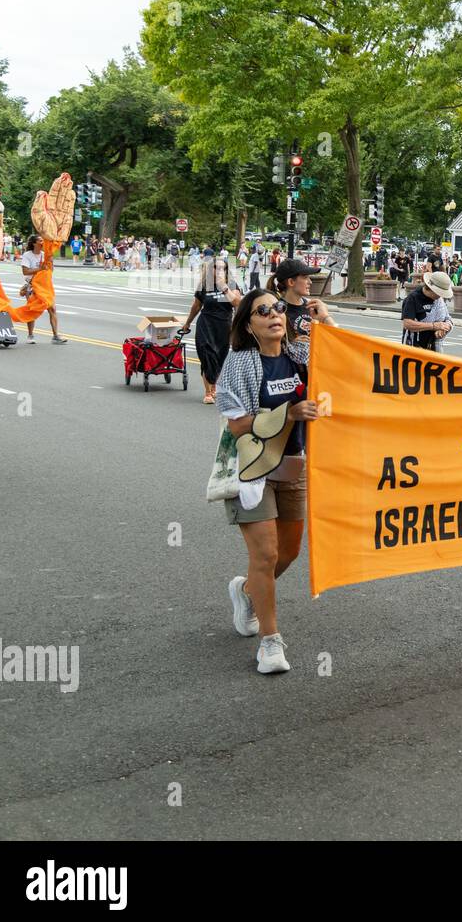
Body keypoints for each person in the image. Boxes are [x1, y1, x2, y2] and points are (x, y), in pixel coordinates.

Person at [216, 289, 317, 674]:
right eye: (263, 311)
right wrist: (289, 413)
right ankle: (270, 643)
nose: (275, 314)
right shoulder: (240, 364)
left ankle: (246, 592)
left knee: (289, 553)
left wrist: (326, 321)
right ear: (249, 325)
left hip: (293, 467)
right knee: (266, 555)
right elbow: (239, 424)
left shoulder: (300, 357)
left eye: (278, 308)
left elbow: (346, 363)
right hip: (254, 471)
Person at [180, 251, 242, 403]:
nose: (219, 271)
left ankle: (214, 387)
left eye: (223, 268)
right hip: (205, 324)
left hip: (224, 326)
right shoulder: (204, 286)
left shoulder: (232, 285)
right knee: (207, 356)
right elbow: (196, 306)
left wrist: (224, 287)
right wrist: (187, 323)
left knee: (219, 358)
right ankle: (208, 392)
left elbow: (237, 304)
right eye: (216, 267)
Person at [274, 258, 335, 344]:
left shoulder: (313, 307)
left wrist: (325, 317)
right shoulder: (277, 310)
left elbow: (336, 340)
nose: (310, 282)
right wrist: (290, 343)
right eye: (305, 277)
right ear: (291, 282)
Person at [21, 236, 68, 344]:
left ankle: (55, 336)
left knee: (52, 309)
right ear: (34, 243)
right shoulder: (27, 255)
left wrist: (50, 262)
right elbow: (25, 271)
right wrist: (40, 269)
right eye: (40, 241)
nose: (43, 242)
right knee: (32, 310)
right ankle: (30, 335)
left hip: (45, 287)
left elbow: (50, 271)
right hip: (32, 286)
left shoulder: (45, 255)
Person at [402, 271, 454, 351]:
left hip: (434, 346)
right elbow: (407, 324)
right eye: (440, 293)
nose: (441, 296)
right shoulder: (413, 298)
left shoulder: (439, 300)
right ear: (432, 290)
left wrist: (444, 328)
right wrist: (433, 326)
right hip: (414, 346)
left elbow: (447, 318)